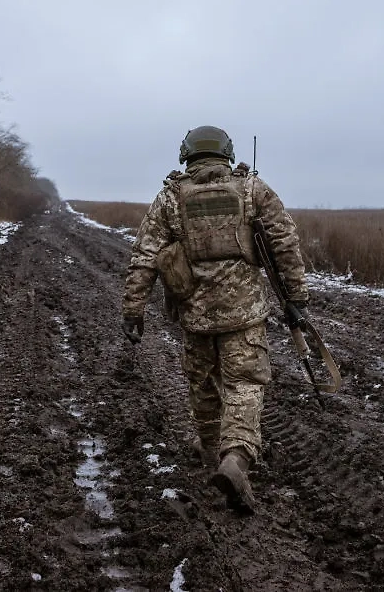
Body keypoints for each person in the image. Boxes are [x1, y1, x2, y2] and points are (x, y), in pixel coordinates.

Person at [121, 126, 309, 514]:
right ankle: (235, 457)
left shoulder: (170, 198)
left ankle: (210, 451)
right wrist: (296, 298)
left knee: (202, 383)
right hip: (244, 315)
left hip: (195, 315)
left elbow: (144, 255)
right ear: (226, 153)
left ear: (186, 155)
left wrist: (133, 307)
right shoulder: (252, 190)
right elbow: (284, 244)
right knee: (244, 383)